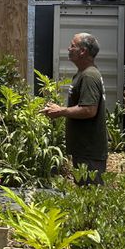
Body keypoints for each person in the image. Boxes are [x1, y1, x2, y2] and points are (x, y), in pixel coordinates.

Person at [41, 32, 108, 185]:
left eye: (72, 46)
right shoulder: (83, 74)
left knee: (91, 197)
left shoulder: (89, 76)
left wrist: (61, 111)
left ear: (83, 51)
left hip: (89, 150)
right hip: (84, 150)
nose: (68, 48)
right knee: (85, 195)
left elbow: (89, 110)